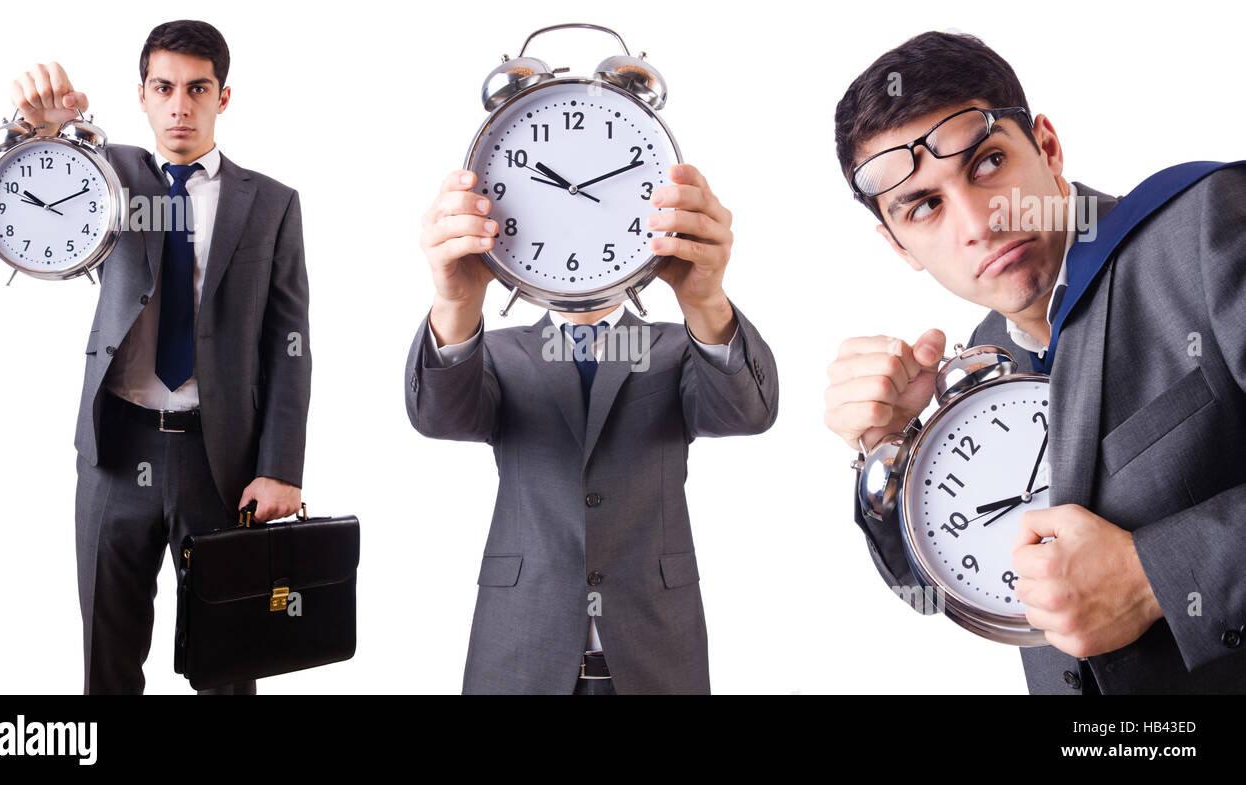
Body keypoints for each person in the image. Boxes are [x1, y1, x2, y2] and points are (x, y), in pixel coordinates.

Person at [823, 31, 1246, 693]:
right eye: (925, 205)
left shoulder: (1205, 227)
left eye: (987, 163)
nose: (978, 221)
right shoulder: (982, 355)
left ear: (1046, 148)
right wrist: (892, 455)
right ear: (898, 244)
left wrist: (1155, 575)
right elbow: (944, 595)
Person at [10, 19, 311, 694]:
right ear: (142, 95)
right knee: (107, 659)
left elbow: (290, 346)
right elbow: (35, 191)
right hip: (119, 449)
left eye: (197, 88)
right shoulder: (107, 177)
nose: (180, 104)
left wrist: (280, 467)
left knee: (230, 664)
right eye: (164, 87)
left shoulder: (271, 204)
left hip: (221, 459)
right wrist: (43, 131)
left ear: (222, 98)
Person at [406, 163, 778, 694]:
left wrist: (705, 302)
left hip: (655, 655)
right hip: (520, 650)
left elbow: (747, 413)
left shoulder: (676, 346)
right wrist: (457, 304)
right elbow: (438, 418)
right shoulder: (501, 354)